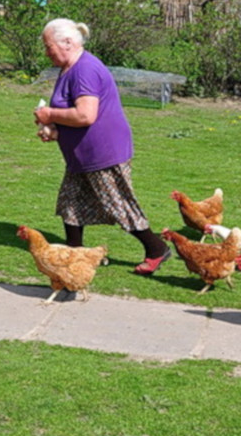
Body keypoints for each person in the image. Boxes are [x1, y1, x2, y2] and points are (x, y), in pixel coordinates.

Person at [33, 18, 170, 275]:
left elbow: (86, 115)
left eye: (48, 46)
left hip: (103, 153)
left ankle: (156, 249)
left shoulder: (84, 70)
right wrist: (55, 130)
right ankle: (74, 252)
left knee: (119, 204)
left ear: (68, 43)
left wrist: (49, 115)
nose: (46, 52)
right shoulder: (69, 68)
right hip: (82, 154)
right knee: (70, 202)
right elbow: (72, 113)